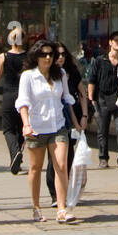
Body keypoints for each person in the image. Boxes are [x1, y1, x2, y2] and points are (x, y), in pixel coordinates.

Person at [16, 39, 81, 223]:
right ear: (36, 56)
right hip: (36, 128)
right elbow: (23, 102)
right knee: (36, 168)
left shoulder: (60, 74)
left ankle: (62, 209)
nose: (48, 57)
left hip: (58, 126)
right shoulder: (28, 76)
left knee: (61, 164)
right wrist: (26, 124)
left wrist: (78, 120)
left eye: (51, 54)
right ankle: (36, 207)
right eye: (43, 54)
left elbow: (67, 99)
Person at [46, 44, 90, 204]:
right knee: (54, 158)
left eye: (63, 54)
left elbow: (81, 94)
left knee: (67, 156)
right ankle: (54, 195)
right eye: (57, 55)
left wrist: (84, 116)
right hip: (54, 120)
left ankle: (64, 192)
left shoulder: (70, 73)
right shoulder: (47, 74)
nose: (60, 58)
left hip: (72, 119)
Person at [0, 25, 27, 174]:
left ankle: (15, 152)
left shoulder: (4, 56)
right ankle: (17, 155)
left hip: (9, 95)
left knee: (8, 129)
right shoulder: (28, 57)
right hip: (25, 96)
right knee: (23, 127)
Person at [87, 31, 118, 169]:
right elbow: (91, 79)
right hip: (102, 99)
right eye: (116, 40)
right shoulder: (100, 60)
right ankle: (103, 158)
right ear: (110, 42)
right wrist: (91, 98)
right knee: (102, 130)